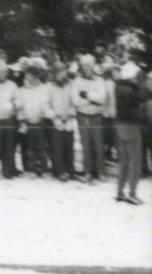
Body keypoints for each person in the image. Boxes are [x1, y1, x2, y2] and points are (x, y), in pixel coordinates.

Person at [71, 54, 108, 182]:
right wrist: (92, 99)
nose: (87, 68)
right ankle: (88, 171)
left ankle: (101, 172)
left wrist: (85, 95)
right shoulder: (77, 81)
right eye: (84, 66)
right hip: (83, 115)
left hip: (96, 115)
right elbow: (76, 101)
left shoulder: (100, 80)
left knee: (98, 143)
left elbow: (102, 98)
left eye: (89, 66)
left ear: (93, 66)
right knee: (85, 143)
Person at [113, 61, 145, 204]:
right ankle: (132, 193)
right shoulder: (130, 90)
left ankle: (120, 192)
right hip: (131, 126)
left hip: (120, 126)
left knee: (124, 161)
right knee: (136, 161)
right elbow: (141, 97)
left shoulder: (118, 87)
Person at [17, 65, 52, 178]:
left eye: (31, 75)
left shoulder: (43, 88)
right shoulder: (22, 90)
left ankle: (44, 169)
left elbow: (45, 104)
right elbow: (21, 107)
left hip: (40, 121)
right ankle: (32, 170)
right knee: (30, 148)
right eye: (27, 76)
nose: (29, 78)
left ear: (36, 76)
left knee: (42, 147)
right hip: (28, 122)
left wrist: (45, 116)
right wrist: (22, 120)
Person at [48, 62, 77, 181]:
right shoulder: (49, 86)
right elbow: (46, 105)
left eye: (64, 72)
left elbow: (73, 102)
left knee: (69, 145)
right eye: (59, 72)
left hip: (68, 118)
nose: (62, 75)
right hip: (56, 119)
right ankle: (58, 171)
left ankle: (70, 170)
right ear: (55, 73)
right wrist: (54, 118)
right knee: (57, 146)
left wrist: (71, 115)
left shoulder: (70, 85)